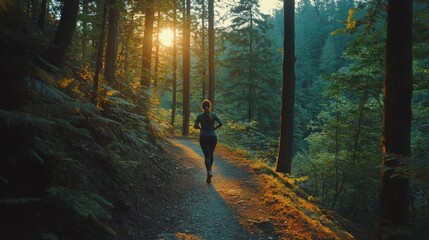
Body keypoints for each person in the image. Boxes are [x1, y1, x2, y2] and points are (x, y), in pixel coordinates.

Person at [194, 99, 223, 184]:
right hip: (213, 137)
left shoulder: (199, 116)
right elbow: (221, 123)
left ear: (202, 107)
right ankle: (209, 172)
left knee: (207, 156)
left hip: (203, 137)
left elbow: (195, 126)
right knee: (211, 155)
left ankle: (209, 171)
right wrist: (215, 128)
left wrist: (200, 128)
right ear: (210, 106)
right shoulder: (214, 115)